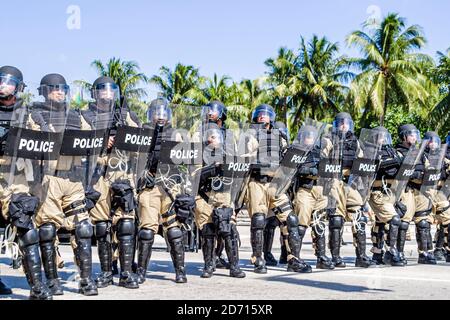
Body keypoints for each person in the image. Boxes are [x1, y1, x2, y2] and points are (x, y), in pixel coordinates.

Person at [244, 104, 312, 274]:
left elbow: (286, 158)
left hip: (276, 183)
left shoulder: (280, 137)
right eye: (259, 114)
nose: (262, 117)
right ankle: (258, 258)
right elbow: (243, 158)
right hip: (257, 182)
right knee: (259, 220)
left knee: (291, 220)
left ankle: (293, 259)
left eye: (266, 114)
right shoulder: (249, 136)